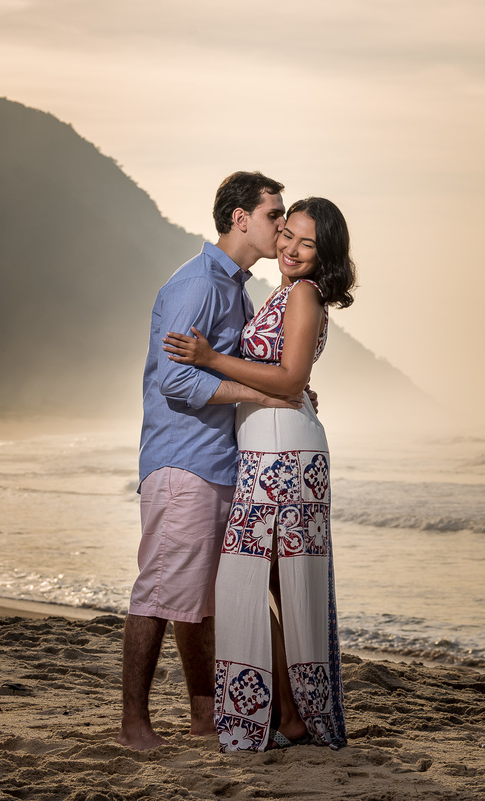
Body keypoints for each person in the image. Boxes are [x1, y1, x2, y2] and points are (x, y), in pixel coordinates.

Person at [162, 196, 356, 751]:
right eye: (287, 234)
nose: (291, 248)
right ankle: (290, 713)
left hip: (285, 454)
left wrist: (210, 359)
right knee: (268, 582)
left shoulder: (304, 293)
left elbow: (290, 379)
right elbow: (286, 375)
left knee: (259, 580)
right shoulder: (280, 292)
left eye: (306, 243)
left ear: (324, 253)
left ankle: (293, 713)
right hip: (265, 449)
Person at [118, 171, 297, 750]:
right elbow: (175, 379)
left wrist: (278, 390)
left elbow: (232, 367)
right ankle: (134, 724)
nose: (283, 225)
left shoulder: (236, 289)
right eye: (274, 214)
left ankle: (203, 717)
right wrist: (260, 395)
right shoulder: (198, 284)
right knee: (159, 593)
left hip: (217, 462)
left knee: (199, 603)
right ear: (241, 218)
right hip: (183, 463)